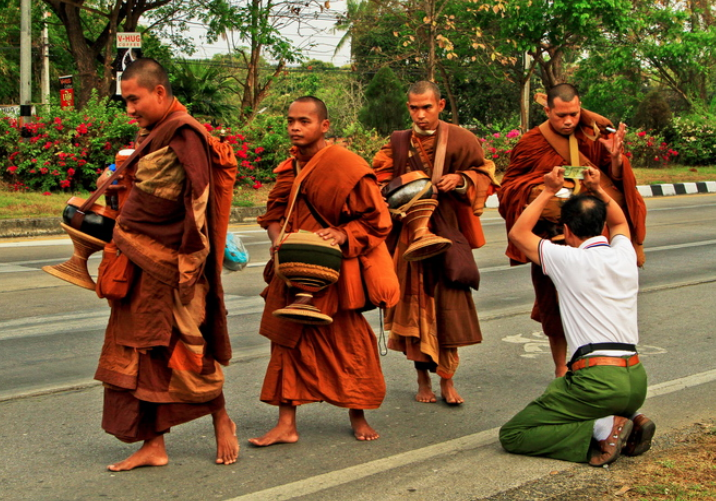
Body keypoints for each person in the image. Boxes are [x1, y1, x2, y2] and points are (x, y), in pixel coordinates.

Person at [93, 58, 239, 471]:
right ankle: (153, 444)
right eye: (125, 102)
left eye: (134, 99)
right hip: (141, 265)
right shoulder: (153, 134)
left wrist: (120, 228)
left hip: (171, 267)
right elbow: (140, 193)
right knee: (141, 356)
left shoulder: (183, 134)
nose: (129, 110)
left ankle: (221, 417)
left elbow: (169, 202)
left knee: (187, 351)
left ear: (159, 92)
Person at [248, 96, 390, 446]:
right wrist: (281, 241)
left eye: (304, 121)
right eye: (291, 121)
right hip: (292, 271)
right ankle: (286, 424)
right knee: (285, 342)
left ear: (324, 126)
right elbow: (274, 216)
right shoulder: (288, 170)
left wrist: (342, 233)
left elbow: (377, 220)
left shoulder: (348, 167)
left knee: (349, 343)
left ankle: (358, 414)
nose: (295, 127)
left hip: (332, 273)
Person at [499, 165, 655, 466]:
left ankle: (605, 426)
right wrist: (597, 189)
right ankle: (628, 416)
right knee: (580, 398)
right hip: (636, 380)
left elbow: (518, 234)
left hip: (596, 382)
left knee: (515, 433)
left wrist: (546, 190)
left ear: (567, 231)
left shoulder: (567, 258)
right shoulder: (624, 254)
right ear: (601, 226)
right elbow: (621, 222)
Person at [497, 83, 647, 377]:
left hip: (591, 234)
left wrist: (616, 159)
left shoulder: (590, 135)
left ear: (581, 109)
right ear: (548, 111)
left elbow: (615, 182)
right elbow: (509, 188)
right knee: (553, 305)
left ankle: (598, 361)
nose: (568, 121)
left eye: (574, 114)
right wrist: (541, 190)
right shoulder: (531, 142)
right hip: (553, 236)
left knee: (597, 302)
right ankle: (559, 368)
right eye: (561, 115)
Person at [372, 81, 499, 405]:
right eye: (414, 108)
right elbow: (379, 181)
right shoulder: (399, 142)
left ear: (440, 105)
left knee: (447, 308)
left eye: (426, 107)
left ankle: (447, 380)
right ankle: (422, 380)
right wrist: (397, 196)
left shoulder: (461, 138)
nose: (420, 114)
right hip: (408, 238)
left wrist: (461, 179)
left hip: (445, 233)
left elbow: (485, 173)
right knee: (414, 308)